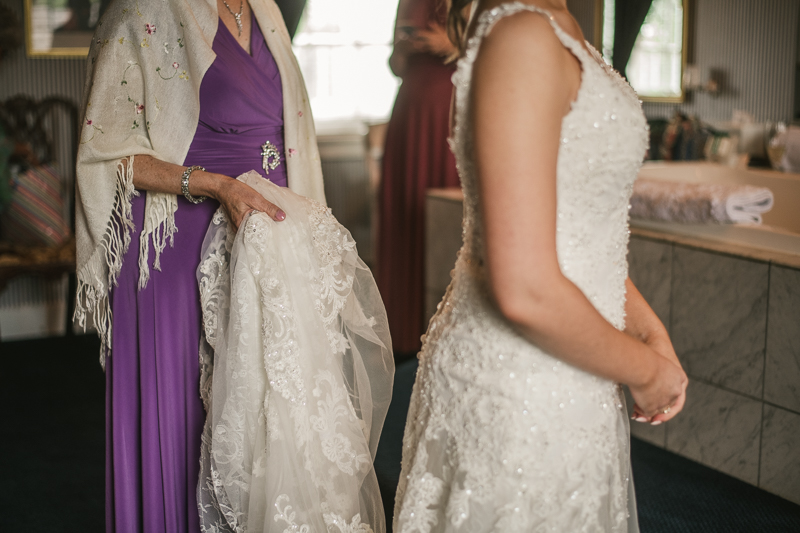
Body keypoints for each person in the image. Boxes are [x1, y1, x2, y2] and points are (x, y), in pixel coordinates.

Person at [393, 0, 688, 531]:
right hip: (517, 388)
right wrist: (645, 371)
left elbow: (579, 234)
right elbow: (525, 286)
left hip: (577, 369)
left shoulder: (561, 27)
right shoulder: (523, 34)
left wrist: (649, 332)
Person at [74, 1, 324, 531]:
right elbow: (105, 152)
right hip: (175, 248)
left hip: (264, 243)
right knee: (186, 423)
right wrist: (214, 184)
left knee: (263, 421)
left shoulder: (267, 11)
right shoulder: (143, 10)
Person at [377, 0, 460, 357]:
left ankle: (445, 328)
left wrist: (452, 46)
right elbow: (396, 66)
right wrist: (403, 48)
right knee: (402, 218)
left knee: (445, 220)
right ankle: (402, 330)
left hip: (451, 111)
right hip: (410, 114)